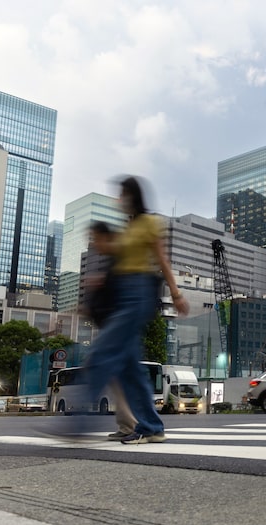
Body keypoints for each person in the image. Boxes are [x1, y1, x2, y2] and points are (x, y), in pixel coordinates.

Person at [84, 176, 189, 443]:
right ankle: (152, 427)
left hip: (139, 295)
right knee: (129, 369)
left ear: (133, 195)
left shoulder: (151, 223)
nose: (119, 200)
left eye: (122, 195)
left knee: (100, 352)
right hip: (124, 296)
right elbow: (116, 257)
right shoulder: (128, 227)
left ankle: (74, 426)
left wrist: (176, 294)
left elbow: (162, 260)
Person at [82, 221, 137, 441]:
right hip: (114, 326)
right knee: (122, 378)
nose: (93, 243)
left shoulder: (121, 259)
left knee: (96, 364)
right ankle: (130, 425)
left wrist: (102, 285)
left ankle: (79, 423)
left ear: (105, 237)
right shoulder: (112, 261)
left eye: (95, 238)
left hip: (117, 327)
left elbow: (124, 293)